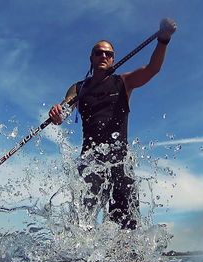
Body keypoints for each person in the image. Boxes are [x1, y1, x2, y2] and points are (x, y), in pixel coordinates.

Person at [49, 19, 177, 230]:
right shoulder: (78, 88)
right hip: (90, 162)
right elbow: (64, 111)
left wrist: (163, 40)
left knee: (126, 224)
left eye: (108, 54)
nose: (104, 56)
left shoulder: (124, 82)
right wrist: (57, 114)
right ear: (91, 58)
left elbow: (153, 69)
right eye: (99, 52)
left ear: (113, 59)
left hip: (119, 163)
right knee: (81, 222)